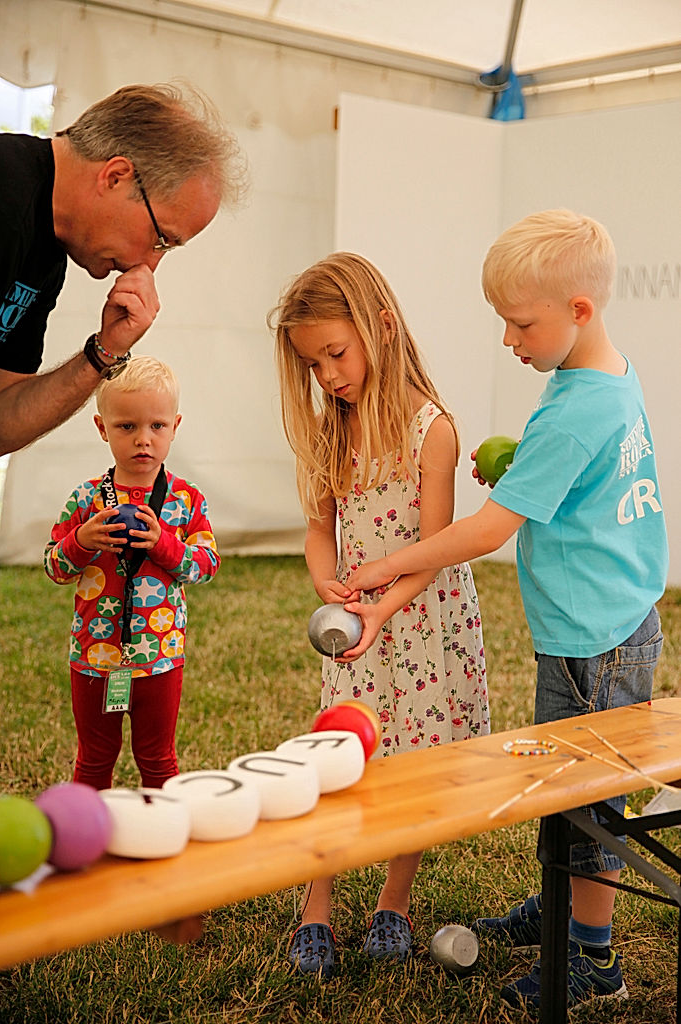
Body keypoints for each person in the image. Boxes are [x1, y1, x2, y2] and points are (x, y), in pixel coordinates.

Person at [347, 210, 668, 1009]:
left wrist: (390, 564)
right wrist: (526, 467)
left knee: (585, 805)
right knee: (569, 792)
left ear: (578, 311)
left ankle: (592, 958)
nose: (507, 340)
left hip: (590, 645)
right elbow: (575, 473)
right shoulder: (605, 372)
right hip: (616, 624)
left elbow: (488, 532)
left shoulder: (571, 410)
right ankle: (558, 907)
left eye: (520, 323)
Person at [269, 251, 488, 980]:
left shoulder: (434, 431)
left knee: (415, 770)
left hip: (420, 620)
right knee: (342, 761)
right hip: (361, 628)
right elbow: (317, 528)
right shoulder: (332, 431)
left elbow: (432, 550)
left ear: (381, 328)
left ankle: (394, 900)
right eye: (313, 364)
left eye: (335, 353)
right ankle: (316, 904)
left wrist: (380, 611)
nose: (327, 375)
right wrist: (327, 581)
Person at [0, 81, 245, 456]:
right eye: (161, 239)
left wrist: (103, 352)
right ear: (115, 176)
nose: (149, 265)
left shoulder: (48, 253)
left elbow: (3, 420)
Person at [44, 355, 220, 790]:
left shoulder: (185, 499)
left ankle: (163, 841)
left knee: (158, 760)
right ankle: (88, 842)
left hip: (159, 658)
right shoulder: (87, 498)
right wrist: (81, 541)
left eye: (157, 426)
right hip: (94, 657)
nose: (144, 440)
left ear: (174, 426)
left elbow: (206, 565)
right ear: (103, 428)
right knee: (95, 759)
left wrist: (163, 544)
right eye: (127, 427)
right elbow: (54, 566)